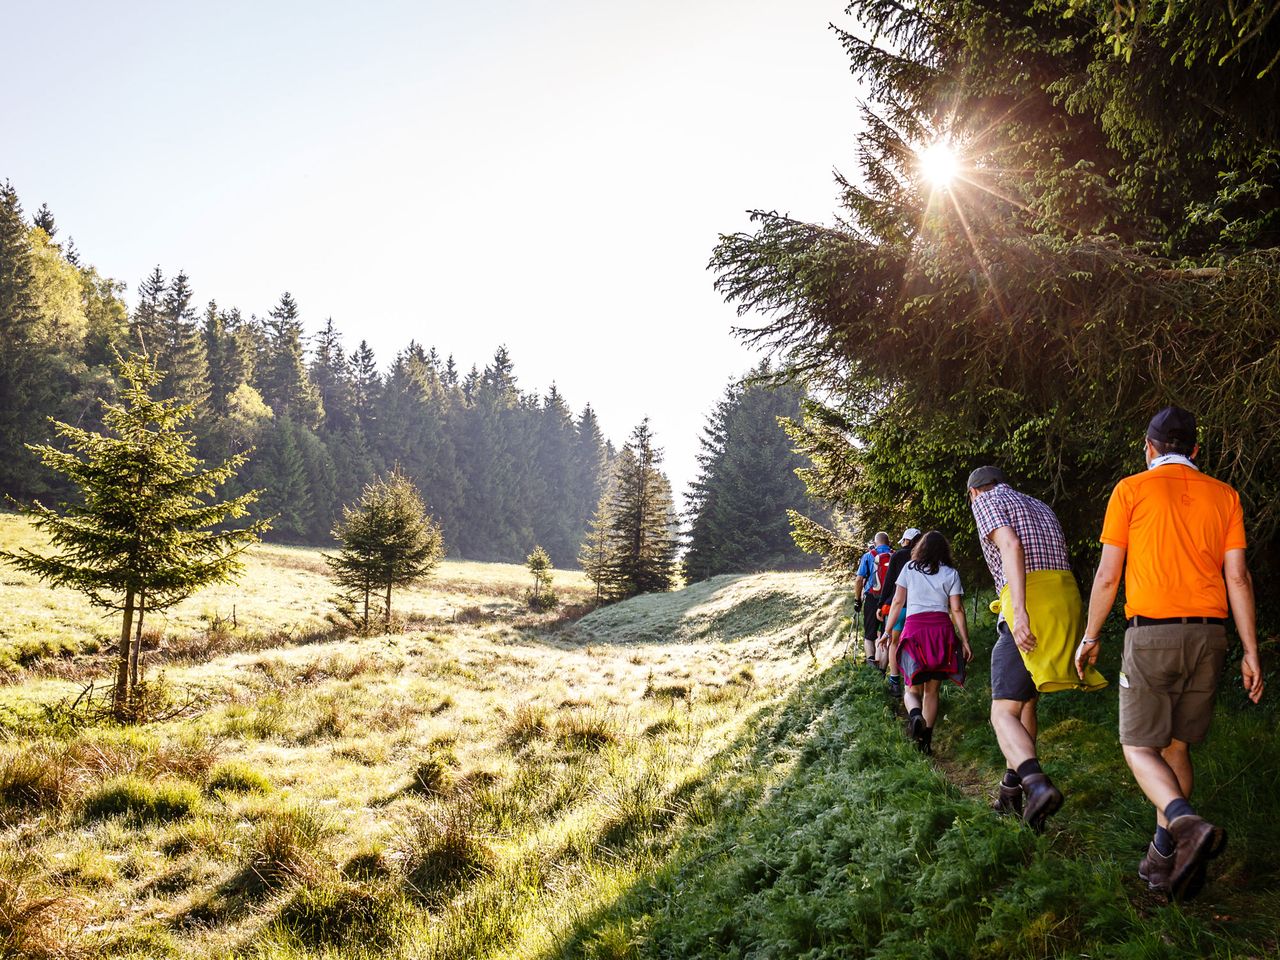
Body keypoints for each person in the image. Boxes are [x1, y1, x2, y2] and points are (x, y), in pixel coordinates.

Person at [1076, 406, 1264, 902]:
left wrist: (1091, 634)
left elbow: (1108, 575)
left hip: (1152, 636)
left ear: (1150, 446)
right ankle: (1165, 857)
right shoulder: (1225, 495)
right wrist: (1251, 651)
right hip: (1211, 638)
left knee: (1138, 746)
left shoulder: (1131, 490)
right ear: (1196, 450)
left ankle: (1184, 824)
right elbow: (1238, 578)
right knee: (1177, 745)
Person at [968, 465, 1104, 833]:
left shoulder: (987, 501)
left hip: (1031, 602)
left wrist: (1021, 611)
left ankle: (1036, 784)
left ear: (974, 492)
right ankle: (1012, 791)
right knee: (1025, 700)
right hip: (1066, 600)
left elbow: (1010, 545)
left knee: (1002, 713)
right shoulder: (1041, 506)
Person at [881, 530, 972, 753]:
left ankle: (914, 716)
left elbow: (897, 602)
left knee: (911, 689)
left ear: (920, 548)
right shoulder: (951, 573)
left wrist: (887, 630)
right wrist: (965, 640)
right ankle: (926, 742)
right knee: (932, 691)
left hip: (915, 631)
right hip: (941, 631)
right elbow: (957, 609)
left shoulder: (909, 569)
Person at [878, 527, 922, 697]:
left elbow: (889, 582)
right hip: (917, 608)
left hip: (899, 608)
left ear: (907, 540)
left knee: (894, 643)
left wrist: (881, 603)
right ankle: (911, 678)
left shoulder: (898, 556)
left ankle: (894, 680)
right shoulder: (924, 556)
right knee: (913, 643)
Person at [853, 532, 893, 668]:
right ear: (889, 542)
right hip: (891, 600)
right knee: (885, 635)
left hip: (872, 598)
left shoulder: (868, 556)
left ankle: (871, 664)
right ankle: (881, 672)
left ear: (875, 543)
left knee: (870, 635)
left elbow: (859, 579)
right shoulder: (895, 555)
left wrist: (857, 600)